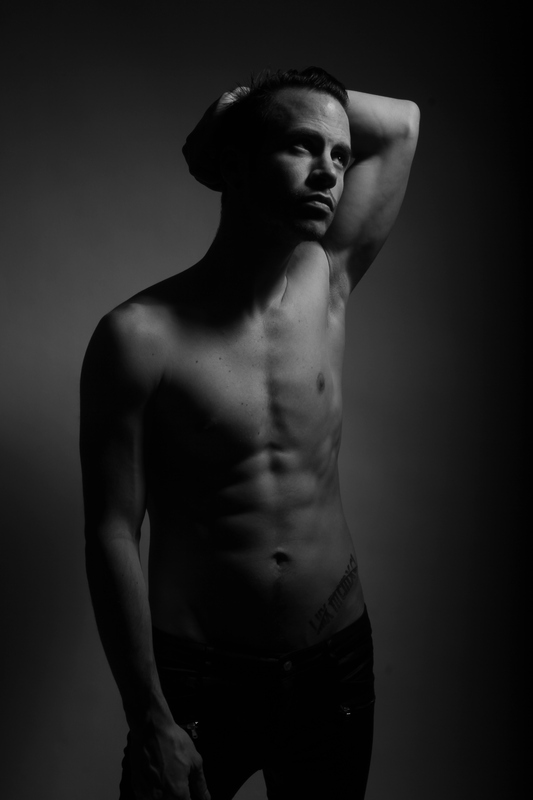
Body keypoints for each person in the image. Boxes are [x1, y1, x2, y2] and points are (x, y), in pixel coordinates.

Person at [80, 66, 419, 800]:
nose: (329, 171)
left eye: (340, 155)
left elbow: (400, 123)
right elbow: (111, 531)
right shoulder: (136, 337)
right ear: (235, 164)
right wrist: (149, 715)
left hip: (334, 663)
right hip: (198, 681)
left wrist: (241, 101)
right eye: (302, 146)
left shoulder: (328, 280)